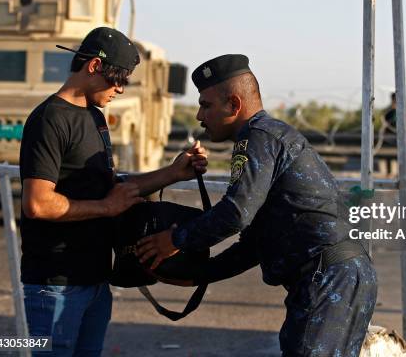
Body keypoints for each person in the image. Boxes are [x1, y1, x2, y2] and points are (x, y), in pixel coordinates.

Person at [136, 54, 377, 356]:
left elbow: (236, 213)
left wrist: (174, 240)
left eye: (206, 105)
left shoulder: (258, 137)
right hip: (337, 276)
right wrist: (202, 273)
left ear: (234, 105)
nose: (199, 115)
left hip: (329, 279)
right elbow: (255, 242)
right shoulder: (266, 136)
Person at [19, 26, 207, 356]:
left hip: (95, 282)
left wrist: (173, 173)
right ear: (93, 66)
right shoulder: (49, 120)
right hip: (55, 287)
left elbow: (113, 190)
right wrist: (106, 208)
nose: (119, 89)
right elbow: (37, 203)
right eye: (116, 79)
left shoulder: (95, 118)